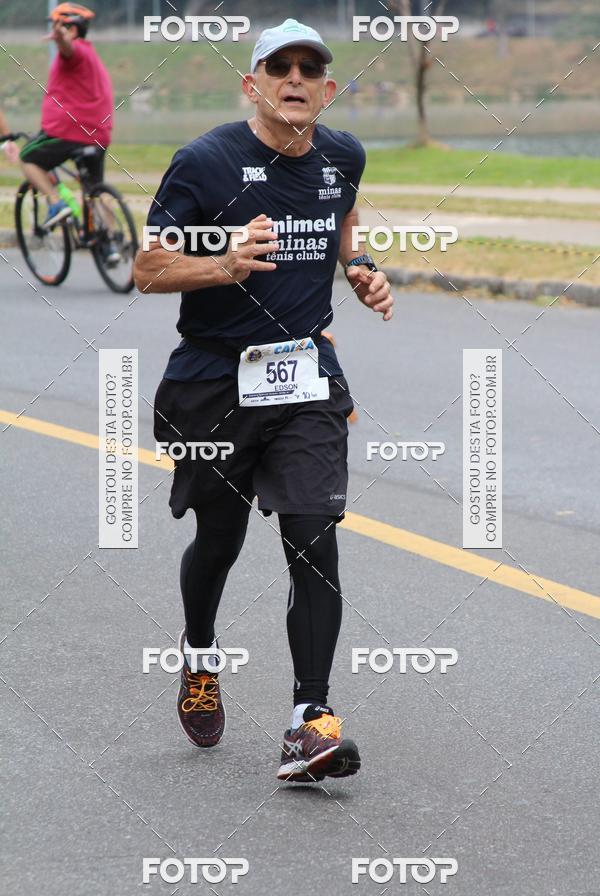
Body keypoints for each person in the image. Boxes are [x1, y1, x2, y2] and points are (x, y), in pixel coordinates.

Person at [134, 19, 393, 783]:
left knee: (314, 536)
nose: (295, 78)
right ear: (252, 84)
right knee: (220, 539)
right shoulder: (206, 162)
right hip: (214, 381)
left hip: (306, 377)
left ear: (327, 88)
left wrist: (362, 266)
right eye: (278, 67)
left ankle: (307, 721)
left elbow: (341, 219)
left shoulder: (342, 155)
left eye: (310, 69)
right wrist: (225, 264)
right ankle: (202, 655)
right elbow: (148, 266)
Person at [19, 3, 113, 228]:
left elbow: (68, 48)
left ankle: (55, 203)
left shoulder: (75, 53)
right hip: (98, 134)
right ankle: (111, 241)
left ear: (72, 29)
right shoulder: (91, 55)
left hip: (68, 132)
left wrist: (61, 37)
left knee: (28, 158)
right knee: (94, 190)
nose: (54, 29)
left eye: (57, 25)